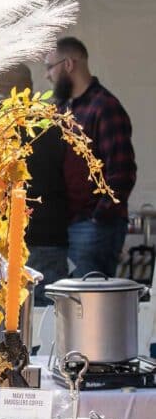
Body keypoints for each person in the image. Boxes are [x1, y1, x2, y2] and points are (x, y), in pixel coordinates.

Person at [46, 36, 137, 278]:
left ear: (68, 65)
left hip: (93, 225)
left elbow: (122, 171)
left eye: (49, 67)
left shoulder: (104, 107)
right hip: (69, 224)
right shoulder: (64, 109)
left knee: (89, 302)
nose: (47, 76)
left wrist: (100, 216)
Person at [0, 64, 69, 303]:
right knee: (49, 321)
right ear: (29, 88)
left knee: (0, 326)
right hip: (48, 234)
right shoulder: (51, 123)